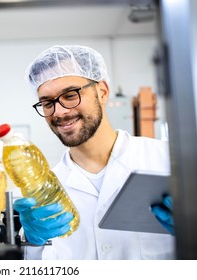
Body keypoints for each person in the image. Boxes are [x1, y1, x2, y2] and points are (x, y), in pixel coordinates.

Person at [13, 45, 175, 260]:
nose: (59, 111)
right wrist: (32, 242)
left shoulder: (169, 161)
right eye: (47, 103)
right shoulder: (46, 194)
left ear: (103, 92)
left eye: (70, 95)